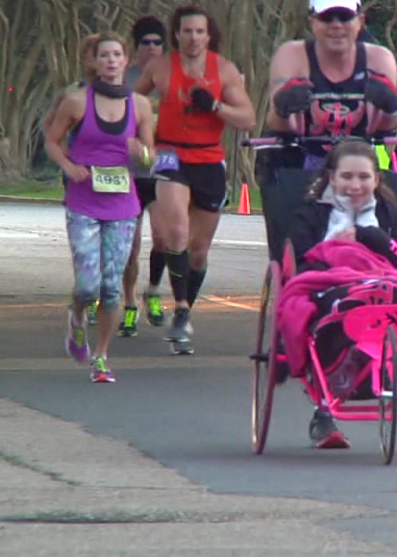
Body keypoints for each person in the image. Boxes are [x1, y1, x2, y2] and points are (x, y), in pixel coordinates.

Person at [134, 4, 256, 354]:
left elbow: (247, 119)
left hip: (209, 158)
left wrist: (215, 106)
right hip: (171, 154)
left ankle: (184, 312)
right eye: (186, 31)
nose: (193, 38)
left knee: (198, 252)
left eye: (199, 32)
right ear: (177, 35)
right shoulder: (160, 67)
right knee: (176, 232)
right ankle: (182, 310)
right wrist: (142, 131)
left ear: (208, 35)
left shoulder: (225, 70)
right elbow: (134, 102)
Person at [283, 140, 397, 449]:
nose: (355, 185)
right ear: (332, 178)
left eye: (363, 177)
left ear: (377, 180)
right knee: (334, 307)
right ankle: (327, 402)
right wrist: (340, 251)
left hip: (385, 282)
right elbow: (303, 258)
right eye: (347, 177)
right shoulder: (312, 213)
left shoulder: (393, 214)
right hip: (333, 283)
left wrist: (368, 238)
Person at [44, 32, 157, 382]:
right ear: (93, 62)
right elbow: (51, 140)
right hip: (84, 203)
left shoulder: (140, 105)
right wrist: (68, 167)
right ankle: (76, 317)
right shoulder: (77, 101)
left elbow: (152, 157)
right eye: (104, 55)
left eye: (117, 54)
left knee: (111, 288)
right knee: (87, 287)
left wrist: (143, 154)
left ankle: (102, 357)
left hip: (123, 205)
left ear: (126, 61)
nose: (111, 60)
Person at [259, 0, 397, 264]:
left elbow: (384, 129)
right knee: (291, 219)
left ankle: (381, 263)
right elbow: (278, 124)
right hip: (300, 156)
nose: (336, 26)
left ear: (359, 21)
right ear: (313, 22)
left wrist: (392, 107)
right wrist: (284, 106)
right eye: (328, 18)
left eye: (344, 17)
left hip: (357, 156)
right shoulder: (292, 56)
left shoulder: (379, 59)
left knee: (388, 192)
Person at [43, 34, 103, 327]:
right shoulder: (72, 93)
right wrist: (67, 159)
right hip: (80, 176)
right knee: (85, 241)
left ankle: (102, 295)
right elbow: (49, 125)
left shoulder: (125, 94)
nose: (103, 60)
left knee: (115, 244)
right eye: (96, 54)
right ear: (87, 59)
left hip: (114, 179)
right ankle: (85, 296)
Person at [120, 15, 168, 337]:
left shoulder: (173, 78)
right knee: (129, 245)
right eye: (145, 42)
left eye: (157, 42)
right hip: (129, 171)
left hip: (165, 170)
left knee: (165, 239)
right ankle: (128, 304)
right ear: (135, 47)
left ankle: (153, 290)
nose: (152, 48)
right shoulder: (123, 79)